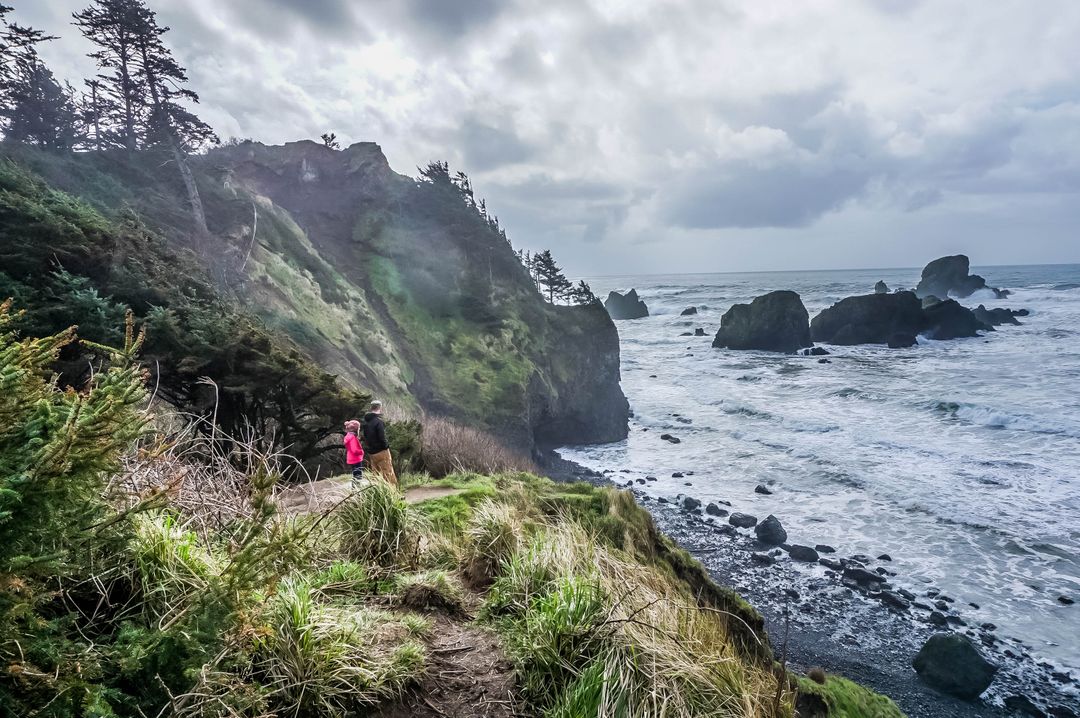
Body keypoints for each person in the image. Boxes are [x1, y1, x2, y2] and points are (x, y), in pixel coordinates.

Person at [362, 400, 397, 487]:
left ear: (371, 407)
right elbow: (382, 437)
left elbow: (365, 437)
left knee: (376, 474)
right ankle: (394, 493)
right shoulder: (378, 422)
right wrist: (386, 446)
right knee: (388, 472)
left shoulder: (366, 423)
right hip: (381, 451)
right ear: (380, 407)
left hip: (372, 452)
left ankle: (379, 493)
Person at [343, 420, 364, 484]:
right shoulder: (352, 438)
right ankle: (356, 490)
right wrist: (361, 452)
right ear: (356, 429)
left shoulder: (348, 436)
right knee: (358, 476)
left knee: (355, 475)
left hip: (351, 458)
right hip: (356, 459)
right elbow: (354, 450)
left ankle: (355, 489)